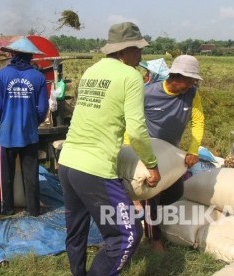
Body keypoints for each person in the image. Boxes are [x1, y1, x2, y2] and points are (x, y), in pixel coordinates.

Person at [58, 22, 161, 276]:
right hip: (94, 169)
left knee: (76, 230)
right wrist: (151, 164)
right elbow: (136, 129)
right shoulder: (131, 77)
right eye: (138, 50)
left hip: (68, 161)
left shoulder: (92, 70)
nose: (141, 56)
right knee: (126, 235)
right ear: (125, 51)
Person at [142, 54, 205, 252]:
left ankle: (149, 223)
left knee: (174, 192)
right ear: (175, 77)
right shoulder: (148, 94)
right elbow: (130, 123)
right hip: (149, 152)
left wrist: (193, 149)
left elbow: (198, 121)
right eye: (189, 80)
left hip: (172, 153)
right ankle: (155, 240)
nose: (192, 85)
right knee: (153, 195)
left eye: (194, 81)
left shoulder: (192, 94)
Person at [0, 37, 48, 217]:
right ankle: (34, 210)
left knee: (6, 176)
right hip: (29, 134)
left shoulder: (2, 75)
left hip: (7, 133)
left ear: (13, 54)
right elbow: (43, 109)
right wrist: (33, 121)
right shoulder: (38, 77)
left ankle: (7, 209)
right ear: (30, 56)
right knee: (31, 175)